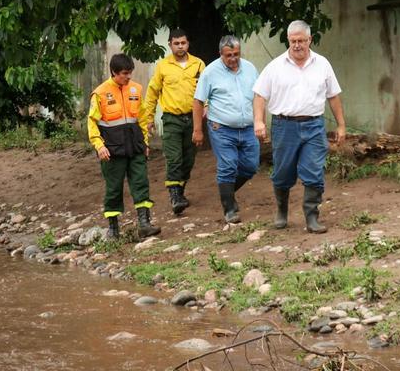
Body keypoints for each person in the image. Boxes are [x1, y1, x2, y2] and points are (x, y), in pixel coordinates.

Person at [253, 20, 346, 233]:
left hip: (314, 125)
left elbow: (333, 96)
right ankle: (281, 210)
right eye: (293, 41)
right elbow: (259, 95)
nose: (297, 45)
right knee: (283, 173)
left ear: (310, 40)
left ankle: (312, 216)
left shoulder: (322, 64)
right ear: (288, 40)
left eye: (301, 41)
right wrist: (258, 121)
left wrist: (341, 125)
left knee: (313, 171)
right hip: (284, 126)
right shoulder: (275, 67)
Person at [87, 53, 161, 240]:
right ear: (114, 72)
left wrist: (145, 142)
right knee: (113, 188)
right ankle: (113, 230)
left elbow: (142, 118)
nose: (128, 77)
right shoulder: (100, 93)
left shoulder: (135, 89)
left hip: (135, 147)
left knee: (141, 183)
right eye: (124, 73)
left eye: (130, 73)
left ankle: (144, 224)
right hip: (111, 150)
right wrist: (99, 146)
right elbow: (92, 122)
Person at [192, 35, 260, 223]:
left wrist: (260, 121)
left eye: (236, 54)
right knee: (228, 165)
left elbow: (258, 96)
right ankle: (229, 208)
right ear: (221, 54)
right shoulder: (210, 72)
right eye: (228, 55)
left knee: (251, 166)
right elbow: (198, 101)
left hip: (248, 128)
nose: (233, 59)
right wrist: (197, 130)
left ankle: (227, 191)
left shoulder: (250, 68)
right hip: (221, 128)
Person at [145, 28, 205, 215]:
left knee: (189, 159)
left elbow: (208, 89)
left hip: (193, 119)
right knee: (174, 158)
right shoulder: (163, 66)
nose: (180, 46)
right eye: (176, 43)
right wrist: (148, 119)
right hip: (171, 119)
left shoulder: (198, 64)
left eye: (183, 43)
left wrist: (208, 107)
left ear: (188, 44)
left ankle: (179, 192)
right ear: (170, 44)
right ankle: (174, 197)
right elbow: (152, 93)